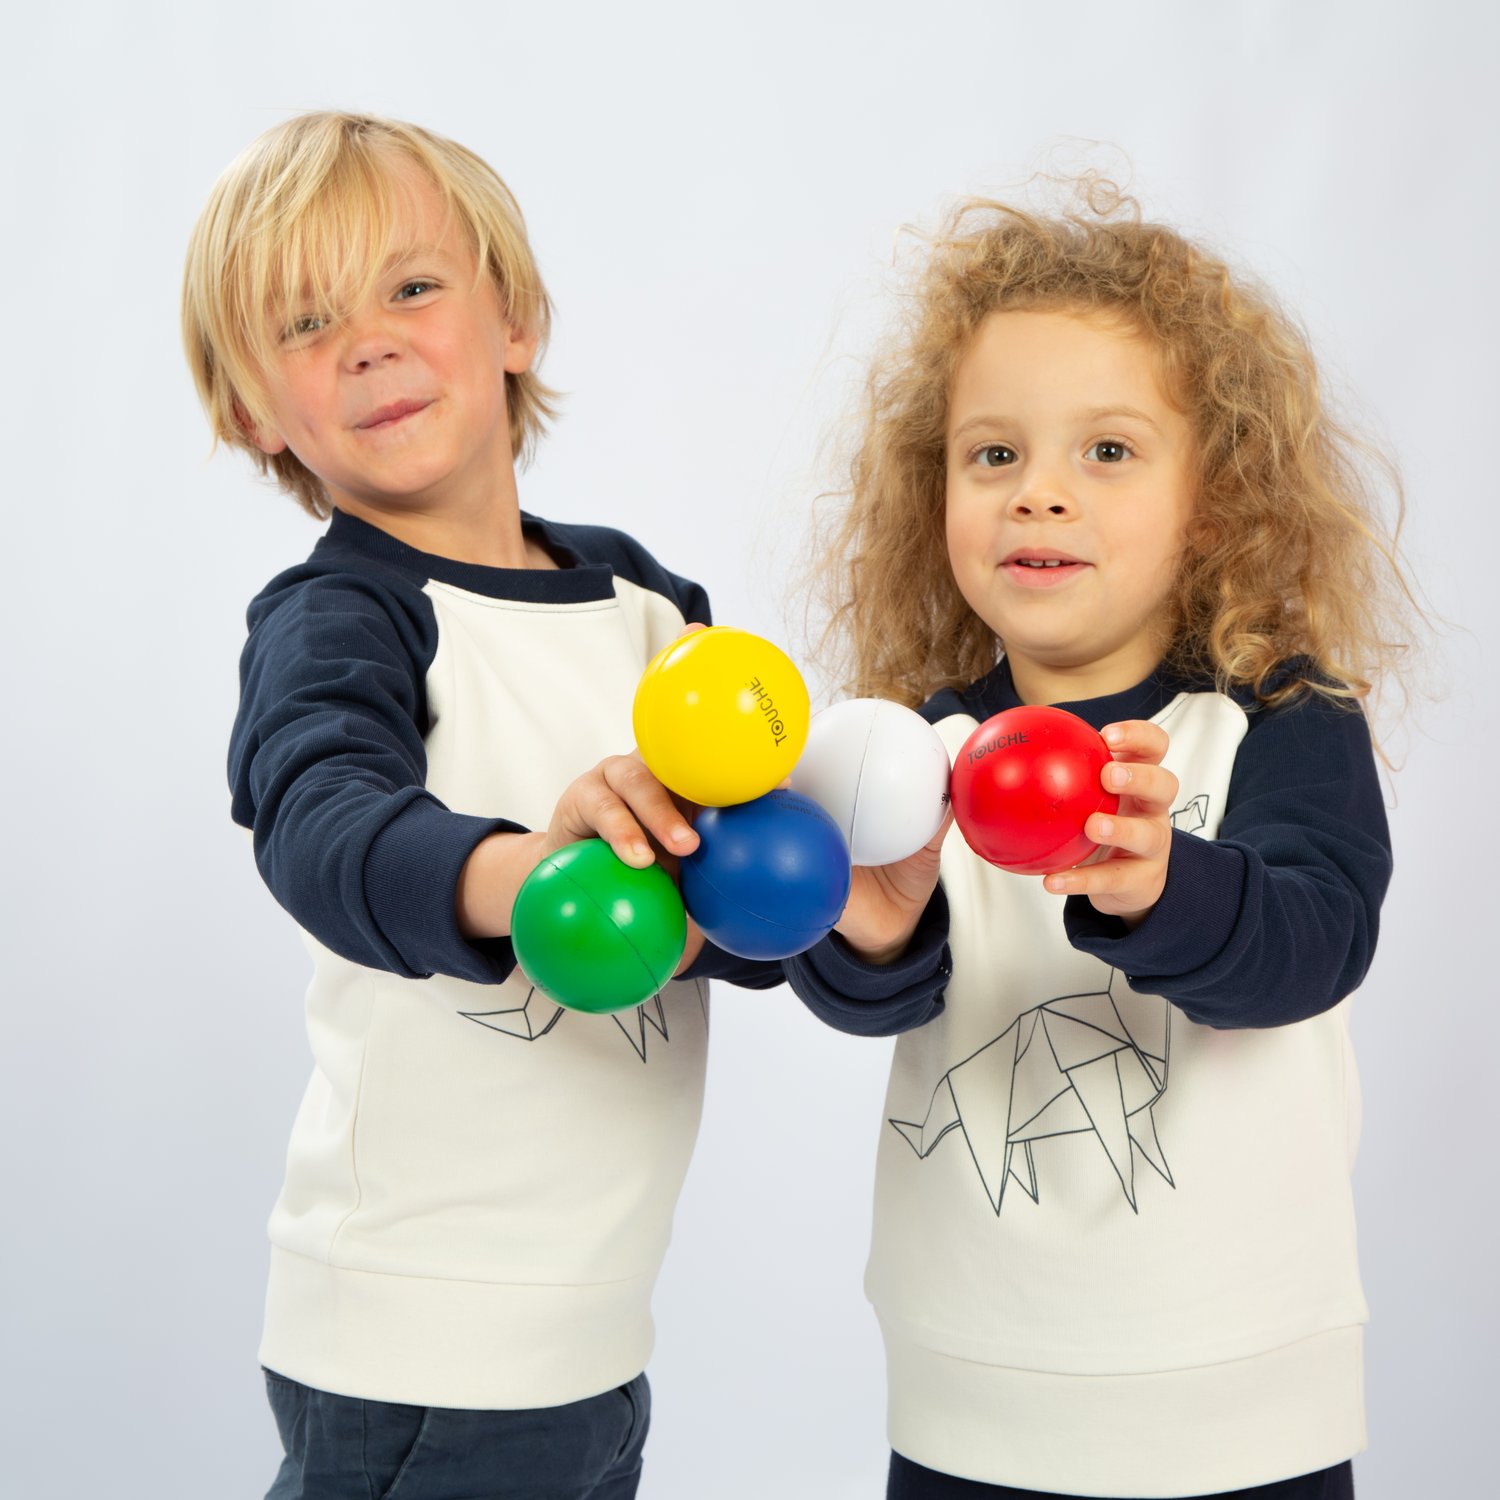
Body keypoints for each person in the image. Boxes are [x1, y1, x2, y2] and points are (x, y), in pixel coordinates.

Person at [781, 184, 1416, 1499]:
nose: (1041, 497)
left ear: (1215, 500)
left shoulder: (1279, 722)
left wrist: (1160, 889)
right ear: (936, 489)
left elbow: (1316, 943)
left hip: (1242, 1408)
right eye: (994, 455)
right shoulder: (915, 750)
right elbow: (860, 992)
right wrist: (877, 924)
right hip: (971, 1401)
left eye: (1108, 453)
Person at [182, 110, 770, 1500]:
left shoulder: (647, 603)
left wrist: (812, 898)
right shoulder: (341, 617)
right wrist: (527, 876)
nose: (371, 340)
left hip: (588, 1335)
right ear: (251, 411)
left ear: (517, 319)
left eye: (413, 286)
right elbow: (323, 827)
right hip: (416, 1344)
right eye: (306, 322)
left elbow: (726, 885)